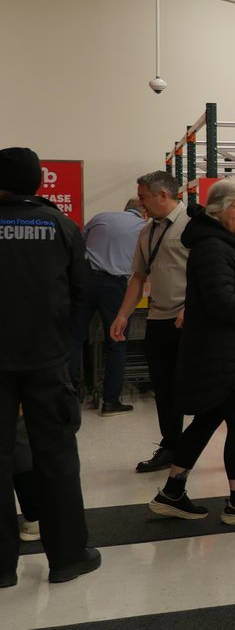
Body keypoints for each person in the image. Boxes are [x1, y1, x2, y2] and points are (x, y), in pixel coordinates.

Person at [148, 180, 235, 526]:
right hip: (222, 353)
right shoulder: (212, 247)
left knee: (208, 419)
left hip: (227, 351)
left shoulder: (228, 245)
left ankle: (172, 492)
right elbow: (220, 301)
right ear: (218, 209)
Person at [0, 146, 101, 586]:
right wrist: (59, 337)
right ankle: (68, 558)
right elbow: (83, 291)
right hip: (46, 360)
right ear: (38, 182)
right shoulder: (60, 224)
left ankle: (1, 568)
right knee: (57, 457)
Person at [110, 171, 192, 474]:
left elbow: (209, 273)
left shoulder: (193, 226)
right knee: (164, 387)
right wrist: (123, 314)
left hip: (189, 321)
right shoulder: (147, 231)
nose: (140, 203)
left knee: (205, 386)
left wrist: (193, 306)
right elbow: (138, 277)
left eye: (144, 197)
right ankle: (171, 445)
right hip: (158, 320)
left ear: (163, 195)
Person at [68, 198, 146, 415]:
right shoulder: (144, 228)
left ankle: (65, 396)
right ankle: (110, 401)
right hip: (115, 286)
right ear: (144, 212)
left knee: (74, 338)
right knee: (116, 341)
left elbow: (79, 246)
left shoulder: (100, 217)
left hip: (84, 281)